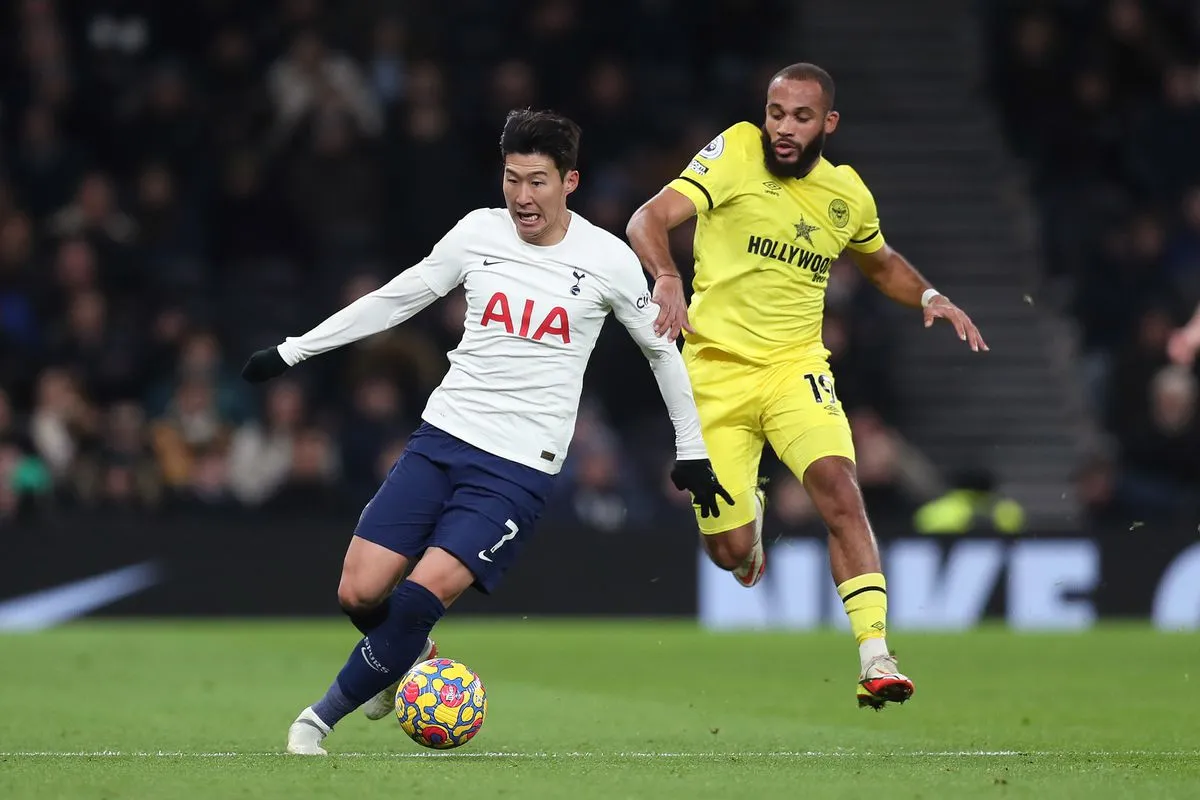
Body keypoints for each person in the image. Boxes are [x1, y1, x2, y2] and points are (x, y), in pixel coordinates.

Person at [242, 109, 731, 755]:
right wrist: (296, 351)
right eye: (511, 179)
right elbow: (399, 297)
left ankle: (317, 721)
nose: (522, 197)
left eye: (537, 182)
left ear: (570, 181)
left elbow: (663, 351)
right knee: (358, 591)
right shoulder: (478, 233)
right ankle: (405, 656)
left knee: (421, 593)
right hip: (441, 439)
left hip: (518, 469)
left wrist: (692, 451)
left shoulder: (608, 259)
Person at [625, 63, 987, 709]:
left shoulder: (846, 194)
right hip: (713, 375)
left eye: (800, 117)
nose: (783, 128)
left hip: (797, 370)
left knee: (841, 494)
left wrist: (929, 294)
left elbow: (879, 262)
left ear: (829, 123)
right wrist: (667, 276)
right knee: (728, 551)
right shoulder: (735, 150)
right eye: (775, 112)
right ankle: (748, 527)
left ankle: (875, 657)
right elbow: (647, 219)